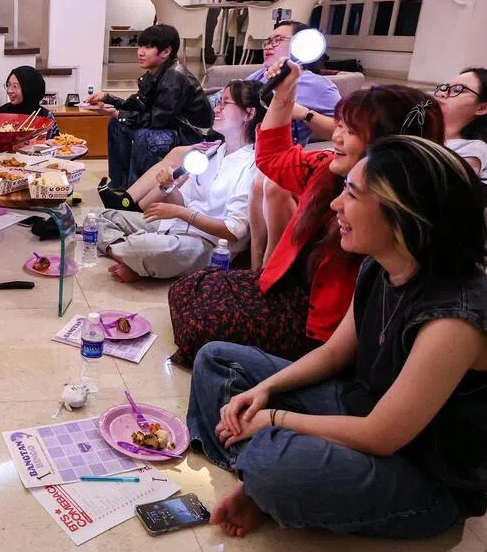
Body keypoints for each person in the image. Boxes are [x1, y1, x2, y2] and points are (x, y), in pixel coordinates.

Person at [188, 136, 487, 539]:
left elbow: (382, 436)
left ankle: (265, 473)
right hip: (359, 407)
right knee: (216, 359)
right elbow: (333, 354)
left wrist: (274, 418)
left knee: (277, 467)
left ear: (404, 212)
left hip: (421, 471)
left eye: (352, 194)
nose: (335, 206)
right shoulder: (382, 263)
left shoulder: (456, 319)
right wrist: (264, 389)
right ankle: (261, 472)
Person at [167, 66, 445, 366]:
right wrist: (284, 94)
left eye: (350, 131)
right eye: (338, 125)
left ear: (389, 145)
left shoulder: (392, 214)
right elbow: (273, 158)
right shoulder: (327, 167)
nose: (336, 136)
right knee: (188, 288)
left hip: (319, 326)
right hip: (289, 288)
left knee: (202, 326)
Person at [96, 79, 264, 282]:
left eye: (225, 103)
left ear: (249, 113)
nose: (217, 108)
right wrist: (169, 187)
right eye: (218, 102)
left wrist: (180, 213)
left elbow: (233, 231)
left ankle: (134, 255)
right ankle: (133, 259)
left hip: (205, 244)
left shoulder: (252, 165)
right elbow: (182, 200)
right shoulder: (211, 152)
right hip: (174, 226)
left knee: (150, 248)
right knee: (100, 217)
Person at [246, 21, 341, 270]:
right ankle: (255, 261)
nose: (269, 46)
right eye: (267, 41)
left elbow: (342, 129)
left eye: (278, 40)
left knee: (264, 182)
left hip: (278, 155)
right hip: (245, 147)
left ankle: (266, 265)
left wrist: (303, 113)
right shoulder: (257, 77)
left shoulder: (319, 86)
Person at [86, 24, 212, 188]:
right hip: (170, 127)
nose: (140, 52)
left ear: (166, 52)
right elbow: (138, 105)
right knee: (117, 124)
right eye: (140, 46)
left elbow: (156, 120)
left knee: (145, 135)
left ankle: (137, 191)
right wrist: (108, 98)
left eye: (148, 47)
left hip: (189, 135)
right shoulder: (156, 73)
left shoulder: (174, 77)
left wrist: (119, 113)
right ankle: (120, 186)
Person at [435, 67, 487, 197]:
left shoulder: (474, 148)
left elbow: (445, 191)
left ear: (483, 108)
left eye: (457, 90)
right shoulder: (420, 126)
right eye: (445, 88)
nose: (443, 94)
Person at [0, 66, 59, 138]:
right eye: (8, 85)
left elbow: (55, 145)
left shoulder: (46, 116)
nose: (9, 90)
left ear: (29, 88)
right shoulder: (1, 112)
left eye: (15, 86)